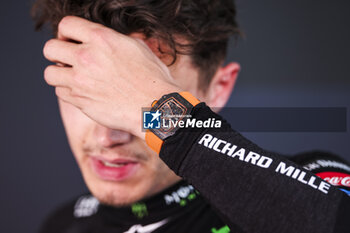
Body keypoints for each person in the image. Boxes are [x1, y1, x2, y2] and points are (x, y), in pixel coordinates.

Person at [31, 0, 350, 233]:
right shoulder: (64, 225)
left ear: (219, 88)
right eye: (85, 92)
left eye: (138, 100)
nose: (108, 136)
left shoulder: (309, 185)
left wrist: (163, 117)